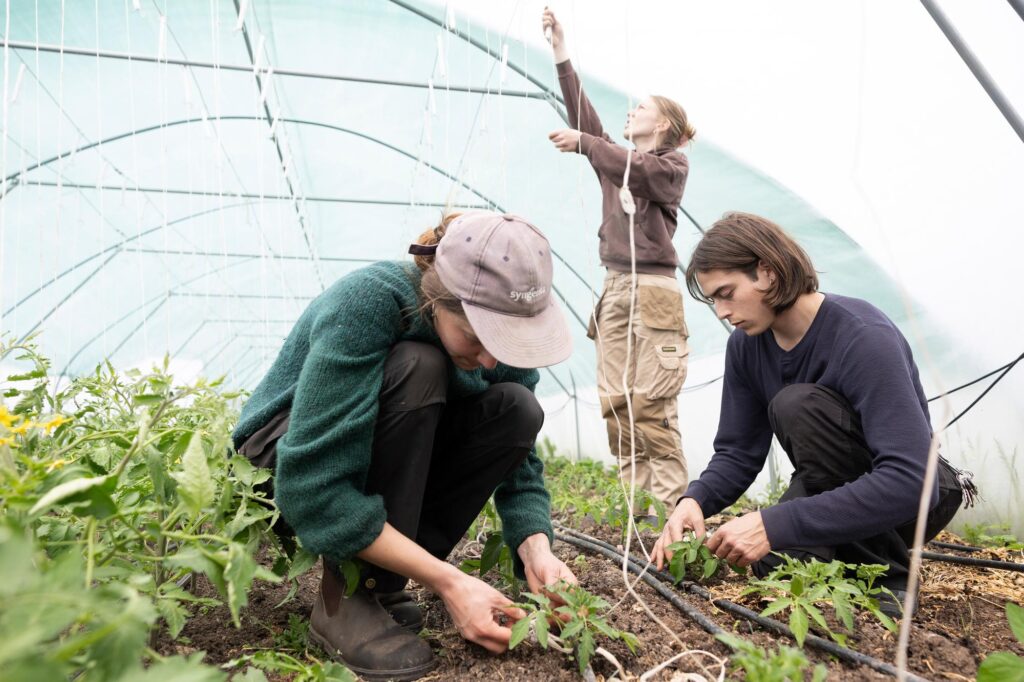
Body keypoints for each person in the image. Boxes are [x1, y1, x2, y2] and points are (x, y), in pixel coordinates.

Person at [232, 211, 578, 681]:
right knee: (420, 366)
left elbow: (520, 464)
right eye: (476, 338)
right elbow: (311, 487)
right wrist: (449, 581)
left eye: (506, 342)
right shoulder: (369, 300)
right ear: (436, 300)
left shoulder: (497, 345)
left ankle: (384, 583)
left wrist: (536, 548)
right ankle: (348, 595)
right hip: (283, 458)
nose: (491, 358)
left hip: (363, 451)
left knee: (515, 408)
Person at [651, 212, 964, 616]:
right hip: (831, 485)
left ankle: (889, 578)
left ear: (767, 273)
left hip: (915, 494)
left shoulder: (863, 336)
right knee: (769, 565)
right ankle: (841, 558)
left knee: (795, 405)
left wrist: (773, 523)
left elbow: (911, 481)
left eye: (726, 293)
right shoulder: (747, 346)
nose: (721, 312)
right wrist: (694, 501)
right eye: (713, 300)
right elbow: (738, 453)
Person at [542, 8, 696, 517]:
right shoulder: (617, 164)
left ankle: (676, 511)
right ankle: (636, 512)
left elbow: (628, 163)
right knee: (615, 402)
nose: (631, 112)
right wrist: (561, 50)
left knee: (652, 403)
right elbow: (587, 125)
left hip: (653, 292)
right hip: (614, 289)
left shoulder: (669, 166)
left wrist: (588, 143)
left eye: (642, 107)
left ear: (665, 123)